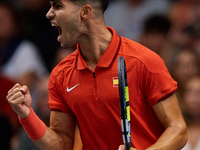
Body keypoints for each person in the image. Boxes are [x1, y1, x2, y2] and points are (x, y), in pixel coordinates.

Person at [6, 0, 187, 150]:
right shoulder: (60, 75)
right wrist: (27, 116)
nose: (49, 13)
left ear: (85, 11)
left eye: (58, 6)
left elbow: (178, 129)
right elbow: (62, 145)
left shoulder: (143, 61)